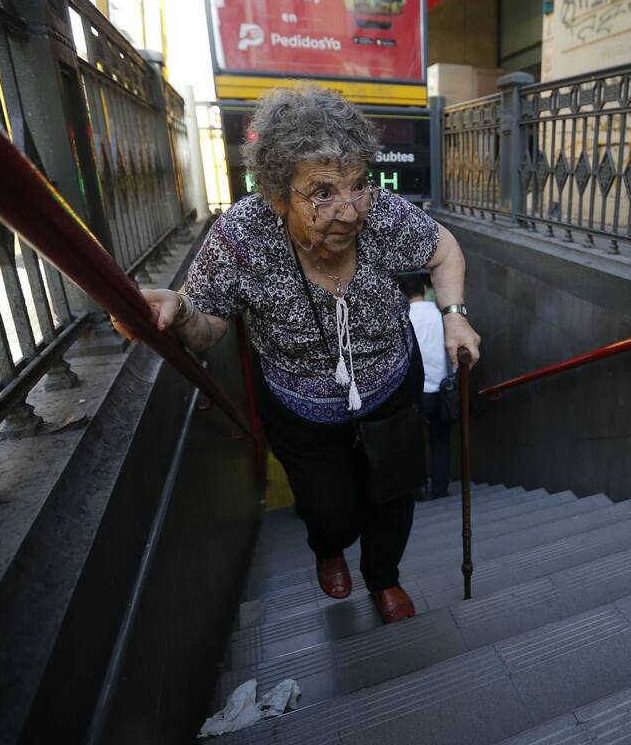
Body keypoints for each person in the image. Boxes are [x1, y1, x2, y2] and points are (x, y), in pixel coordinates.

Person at [113, 86, 481, 624]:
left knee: (393, 499)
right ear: (279, 193)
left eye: (358, 185)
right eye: (324, 192)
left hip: (389, 385)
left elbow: (444, 250)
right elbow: (208, 323)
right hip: (299, 406)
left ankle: (384, 580)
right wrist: (180, 311)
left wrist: (454, 314)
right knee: (329, 511)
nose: (350, 210)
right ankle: (328, 547)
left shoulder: (383, 215)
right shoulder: (243, 233)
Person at [398, 272, 452, 500]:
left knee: (411, 443)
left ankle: (417, 489)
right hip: (443, 390)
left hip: (415, 394)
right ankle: (441, 489)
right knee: (440, 441)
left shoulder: (403, 319)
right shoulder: (442, 316)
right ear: (423, 289)